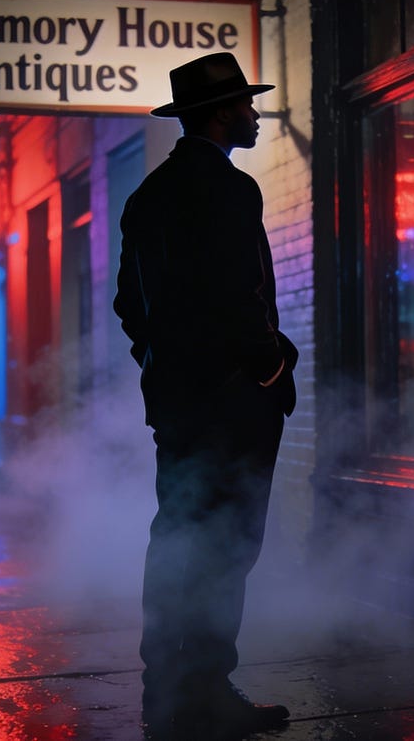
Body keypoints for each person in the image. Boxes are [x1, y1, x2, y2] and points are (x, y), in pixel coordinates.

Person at [114, 52, 298, 738]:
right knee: (225, 544)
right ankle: (208, 693)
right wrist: (269, 369)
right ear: (221, 113)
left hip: (176, 401)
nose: (253, 116)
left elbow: (128, 304)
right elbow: (238, 296)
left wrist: (163, 360)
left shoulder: (147, 196)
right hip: (232, 401)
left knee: (179, 537)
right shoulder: (228, 187)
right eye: (245, 106)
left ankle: (167, 689)